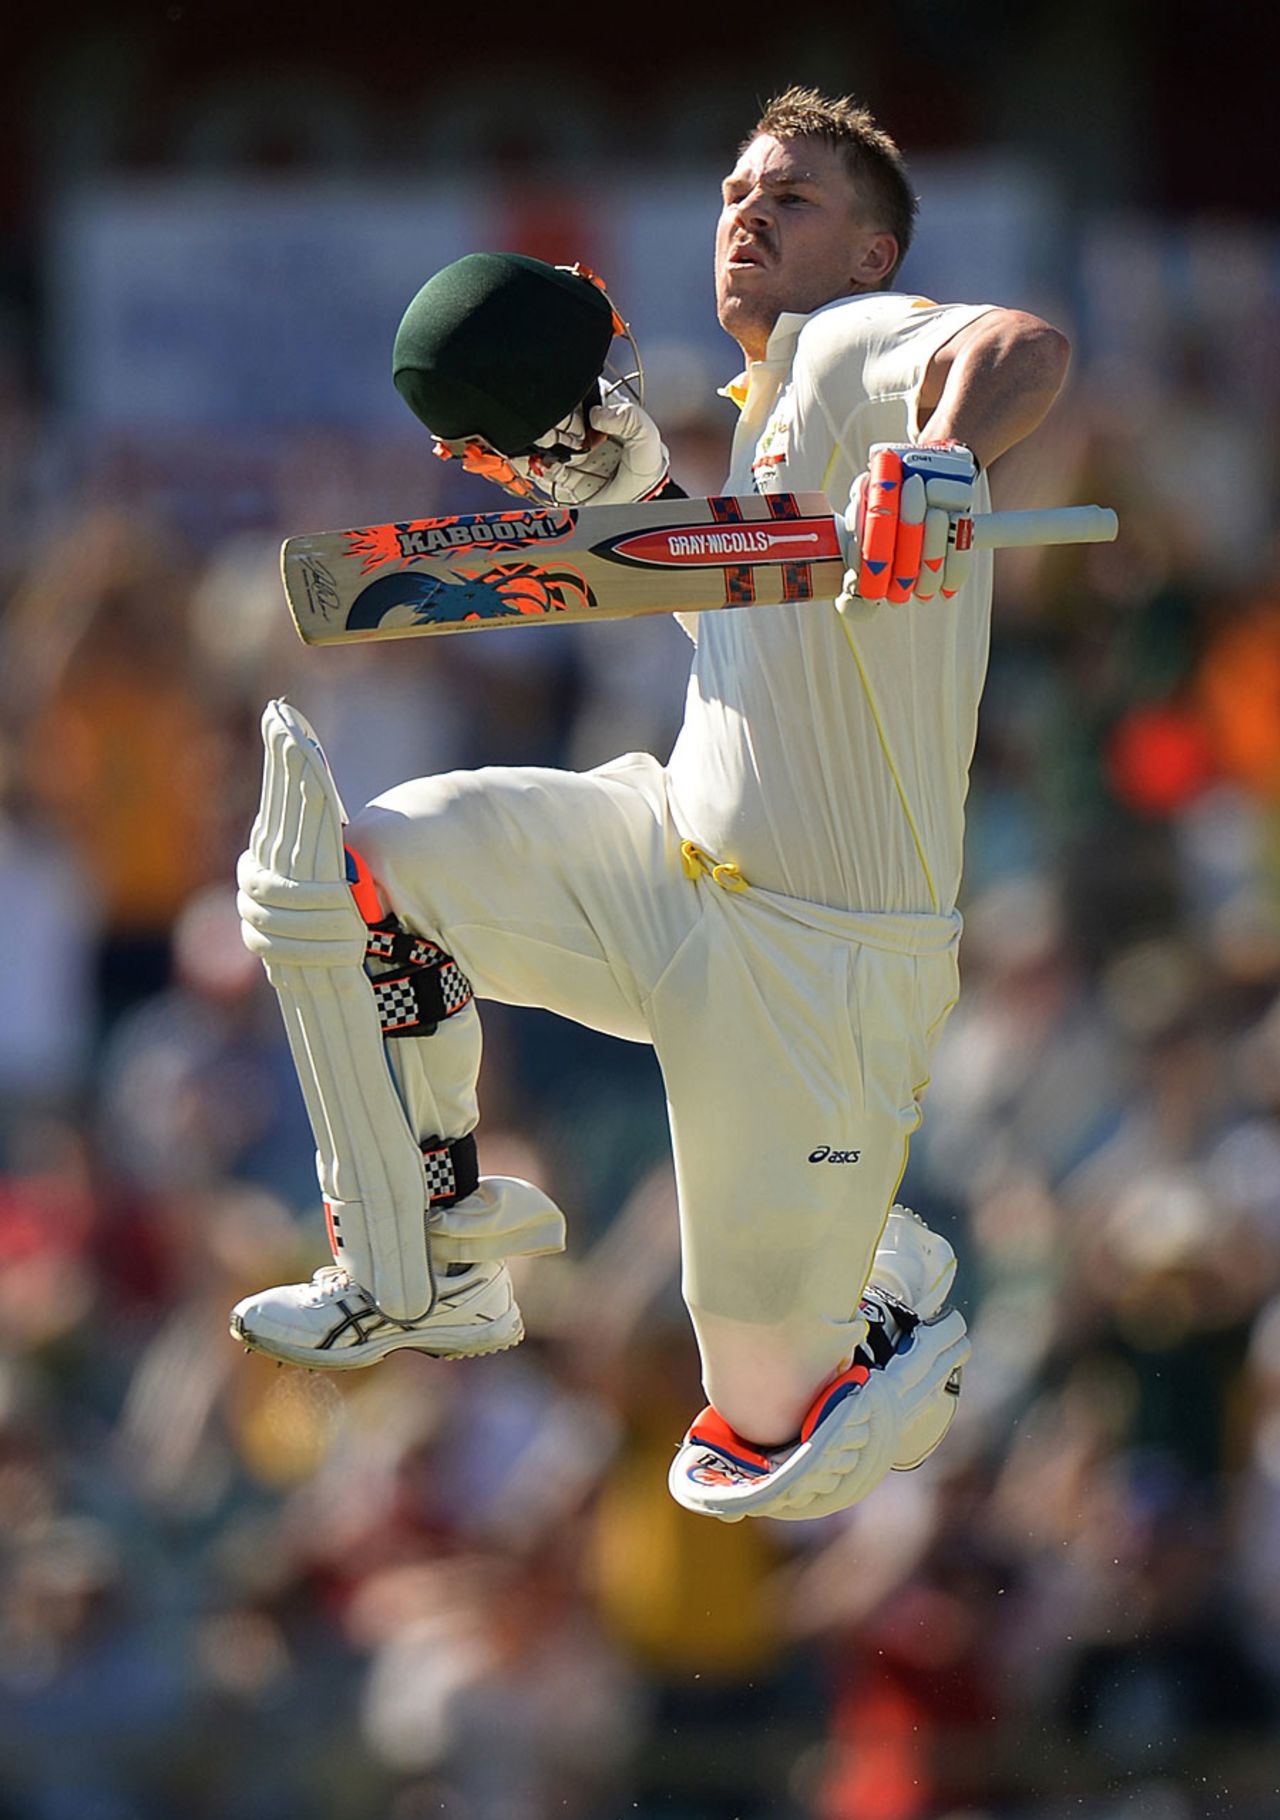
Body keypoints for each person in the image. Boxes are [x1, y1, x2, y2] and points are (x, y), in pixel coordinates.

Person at [230, 85, 1071, 1522]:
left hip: (821, 964)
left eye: (794, 197)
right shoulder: (758, 427)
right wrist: (638, 493)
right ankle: (430, 1242)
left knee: (762, 1454)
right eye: (739, 189)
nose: (750, 209)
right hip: (661, 859)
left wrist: (941, 453)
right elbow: (767, 654)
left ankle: (886, 1287)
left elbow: (1022, 347)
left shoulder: (863, 349)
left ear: (872, 254)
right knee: (344, 878)